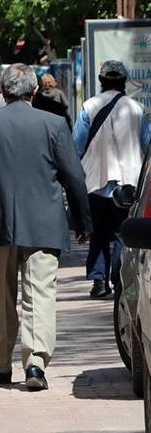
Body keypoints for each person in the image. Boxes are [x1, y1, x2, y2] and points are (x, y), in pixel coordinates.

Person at [0, 63, 91, 391]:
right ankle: (35, 363)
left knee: (1, 294)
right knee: (40, 292)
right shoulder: (54, 124)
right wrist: (82, 220)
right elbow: (73, 177)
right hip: (44, 222)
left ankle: (2, 363)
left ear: (2, 92)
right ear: (34, 91)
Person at [73, 60, 151, 299]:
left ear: (101, 81)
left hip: (95, 181)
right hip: (128, 181)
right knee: (121, 233)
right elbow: (147, 144)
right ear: (124, 82)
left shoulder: (89, 106)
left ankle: (98, 281)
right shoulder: (136, 109)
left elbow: (76, 145)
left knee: (97, 233)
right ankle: (119, 279)